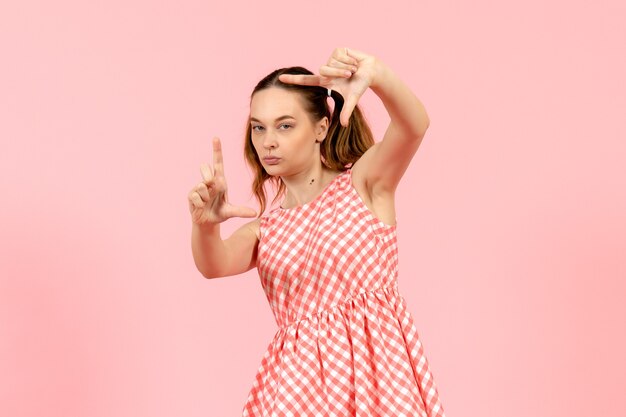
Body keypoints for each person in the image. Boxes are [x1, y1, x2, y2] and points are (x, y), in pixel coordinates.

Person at [188, 47, 446, 417]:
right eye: (258, 127)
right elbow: (214, 264)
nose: (268, 141)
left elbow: (413, 126)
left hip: (378, 381)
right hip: (298, 387)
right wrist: (205, 225)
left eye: (285, 125)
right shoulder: (268, 228)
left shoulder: (364, 183)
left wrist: (377, 76)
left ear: (321, 128)